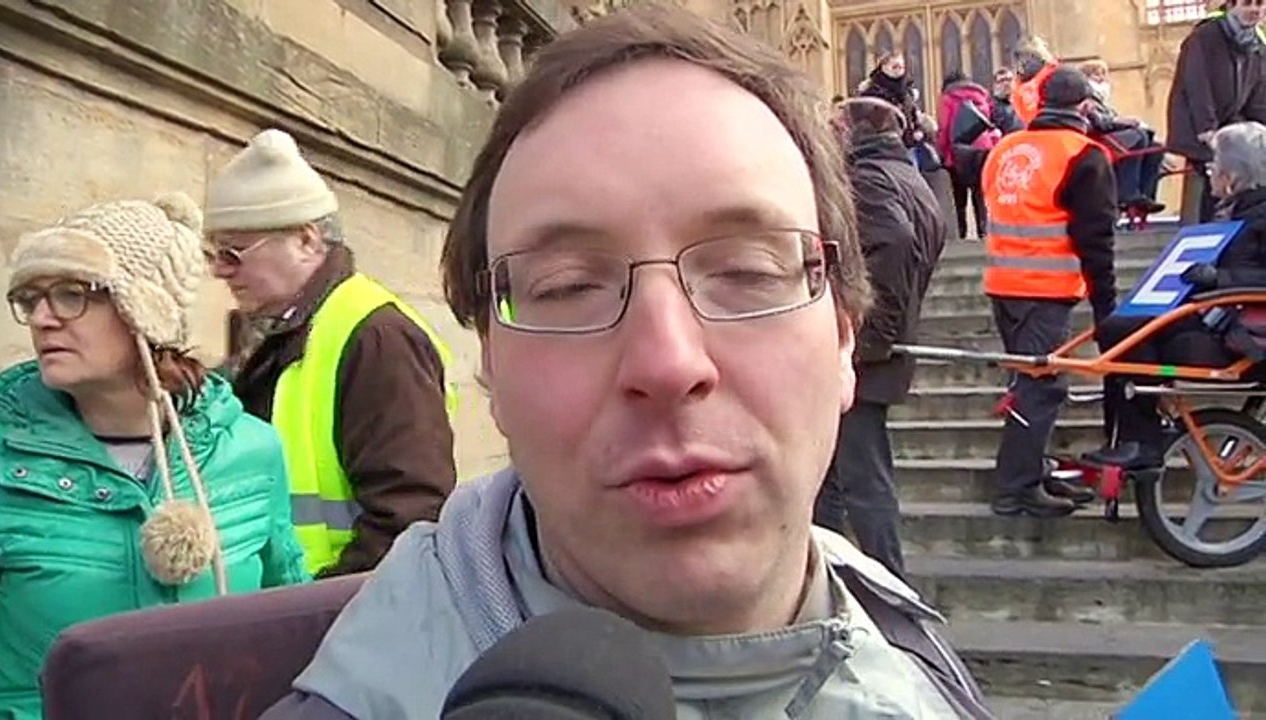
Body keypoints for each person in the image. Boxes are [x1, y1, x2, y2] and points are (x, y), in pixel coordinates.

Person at [262, 6, 991, 719]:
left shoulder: (907, 643)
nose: (668, 362)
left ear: (842, 337)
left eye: (745, 271)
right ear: (490, 364)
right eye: (568, 288)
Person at [0, 193, 309, 719]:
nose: (42, 318)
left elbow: (288, 633)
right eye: (32, 298)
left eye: (70, 294)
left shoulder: (250, 450)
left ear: (144, 312)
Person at [204, 129, 458, 578]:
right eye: (213, 253)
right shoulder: (274, 330)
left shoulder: (377, 337)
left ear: (306, 240)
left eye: (232, 253)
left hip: (327, 618)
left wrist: (313, 615)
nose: (218, 271)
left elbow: (411, 518)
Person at [814, 97, 948, 577]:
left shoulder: (869, 180)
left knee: (861, 476)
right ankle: (825, 570)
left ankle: (888, 587)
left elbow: (892, 243)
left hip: (868, 355)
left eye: (834, 128)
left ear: (853, 133)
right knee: (832, 474)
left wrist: (867, 335)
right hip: (879, 349)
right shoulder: (909, 177)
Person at [1088, 121, 1266, 470]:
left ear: (1233, 175)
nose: (1209, 173)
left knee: (1124, 333)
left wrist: (1220, 277)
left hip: (1247, 340)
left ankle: (1141, 440)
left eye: (1214, 166)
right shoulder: (1237, 210)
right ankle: (1134, 435)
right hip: (1220, 322)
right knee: (1118, 329)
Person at [982, 66, 1118, 518]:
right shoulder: (1084, 155)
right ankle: (1015, 486)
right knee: (1042, 387)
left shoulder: (1006, 148)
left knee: (1029, 384)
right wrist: (1106, 306)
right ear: (1085, 107)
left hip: (1003, 285)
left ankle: (1030, 470)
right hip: (1046, 289)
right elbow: (1096, 240)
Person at [1167, 0, 1266, 222]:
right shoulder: (1205, 36)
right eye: (1247, 4)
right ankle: (1205, 235)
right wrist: (1206, 128)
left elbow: (1258, 93)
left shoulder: (1256, 43)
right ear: (1230, 6)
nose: (1254, 10)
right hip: (1198, 125)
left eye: (1260, 4)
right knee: (1213, 183)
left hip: (1231, 123)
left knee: (1248, 175)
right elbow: (1196, 84)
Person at [1080, 59, 1165, 214]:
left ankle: (1145, 194)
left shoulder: (1103, 101)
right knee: (1138, 137)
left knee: (1155, 148)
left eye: (1104, 73)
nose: (1101, 78)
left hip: (1111, 136)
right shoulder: (1085, 98)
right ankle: (1128, 191)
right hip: (1100, 139)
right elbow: (1098, 122)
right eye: (1096, 74)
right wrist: (1121, 122)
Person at [937, 70, 1002, 239]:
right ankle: (983, 231)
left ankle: (961, 233)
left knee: (959, 196)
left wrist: (942, 151)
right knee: (979, 192)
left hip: (957, 151)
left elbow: (945, 127)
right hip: (982, 148)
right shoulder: (982, 96)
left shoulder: (948, 98)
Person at [859, 51, 926, 153]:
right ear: (883, 67)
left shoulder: (906, 92)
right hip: (883, 149)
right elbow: (868, 122)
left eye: (901, 67)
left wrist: (918, 130)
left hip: (907, 147)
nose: (898, 70)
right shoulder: (873, 92)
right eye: (895, 67)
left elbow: (914, 115)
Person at [1011, 37, 1059, 127]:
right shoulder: (1019, 84)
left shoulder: (1054, 78)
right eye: (1020, 58)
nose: (1023, 63)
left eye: (1030, 56)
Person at [991, 67, 1024, 135]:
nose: (1006, 83)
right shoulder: (991, 106)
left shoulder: (1023, 101)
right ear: (995, 85)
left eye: (1009, 80)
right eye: (1002, 80)